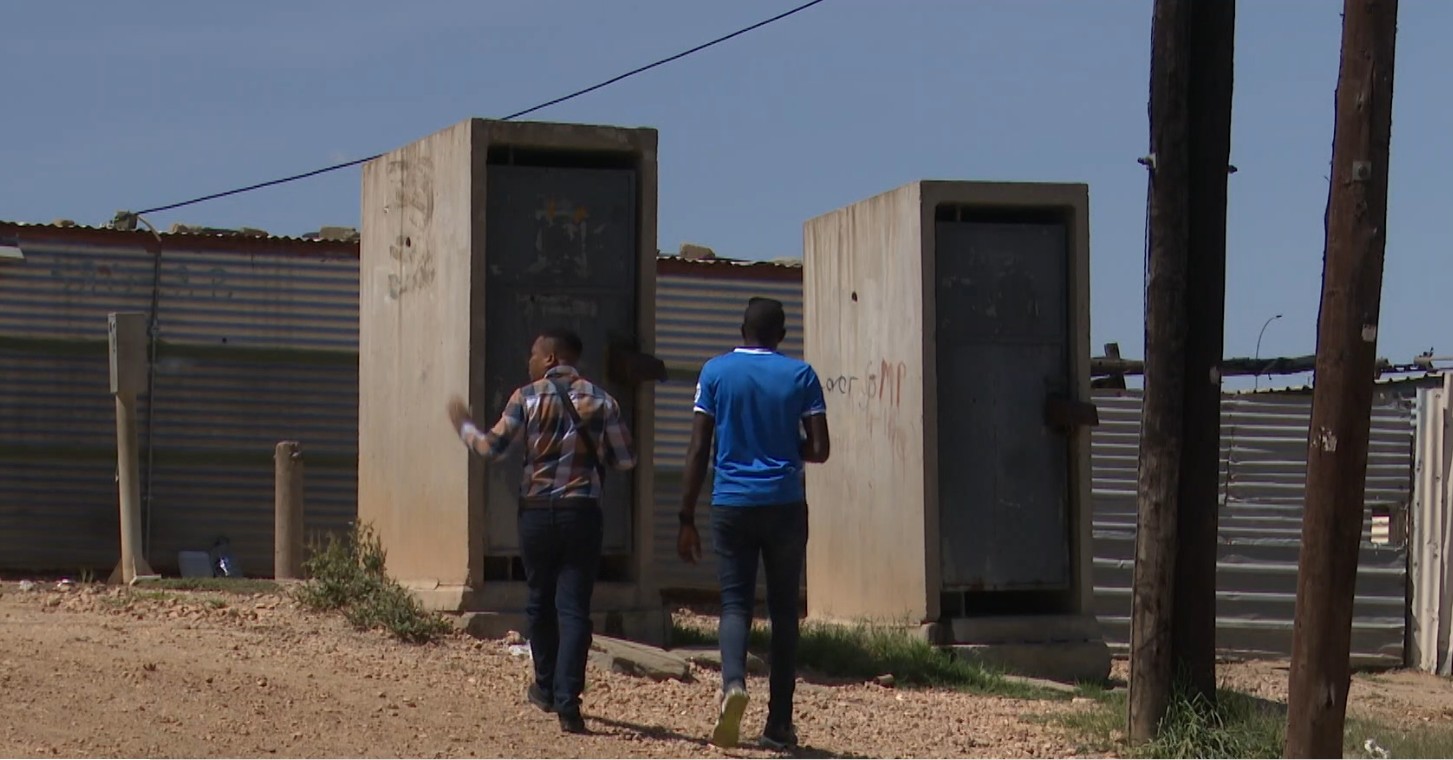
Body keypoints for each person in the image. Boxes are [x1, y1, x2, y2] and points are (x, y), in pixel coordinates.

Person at [446, 328, 636, 735]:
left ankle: (545, 688)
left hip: (535, 513)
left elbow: (490, 448)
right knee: (574, 608)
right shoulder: (603, 401)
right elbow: (625, 460)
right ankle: (569, 704)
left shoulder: (526, 397)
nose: (529, 360)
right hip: (581, 513)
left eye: (534, 353)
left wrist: (463, 426)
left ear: (551, 358)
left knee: (539, 601)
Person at [677, 297, 831, 750]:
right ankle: (778, 724)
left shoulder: (715, 373)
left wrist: (685, 516)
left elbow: (698, 448)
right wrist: (783, 447)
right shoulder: (801, 376)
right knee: (784, 612)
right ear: (782, 335)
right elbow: (820, 449)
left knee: (734, 605)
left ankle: (733, 685)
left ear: (741, 329)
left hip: (731, 504)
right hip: (784, 504)